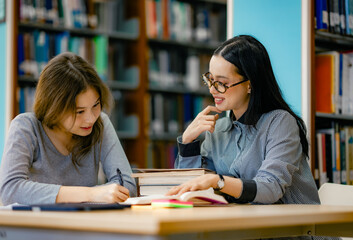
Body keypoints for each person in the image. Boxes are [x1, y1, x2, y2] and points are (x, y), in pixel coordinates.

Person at [168, 35, 320, 205]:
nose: (212, 90)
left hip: (291, 228)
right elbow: (194, 190)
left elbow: (270, 188)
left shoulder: (280, 123)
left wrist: (218, 181)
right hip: (245, 226)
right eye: (210, 79)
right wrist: (188, 143)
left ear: (250, 84)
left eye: (221, 83)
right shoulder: (218, 129)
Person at [0, 52, 136, 205]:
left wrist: (98, 194)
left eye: (96, 105)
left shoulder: (100, 123)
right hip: (36, 226)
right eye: (79, 111)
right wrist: (90, 194)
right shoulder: (26, 127)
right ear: (54, 107)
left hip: (84, 224)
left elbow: (127, 185)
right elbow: (9, 190)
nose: (90, 118)